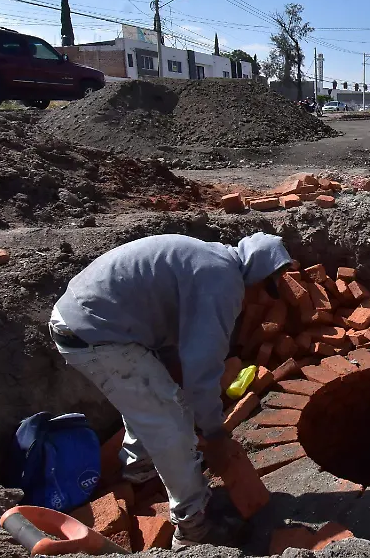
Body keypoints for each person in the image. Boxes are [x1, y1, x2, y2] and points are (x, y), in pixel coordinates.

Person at [49, 233, 292, 549]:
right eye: (262, 286)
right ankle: (192, 528)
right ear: (257, 274)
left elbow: (168, 339)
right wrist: (214, 431)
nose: (255, 295)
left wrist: (177, 387)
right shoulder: (223, 280)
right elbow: (202, 367)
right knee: (171, 425)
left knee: (148, 401)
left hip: (82, 320)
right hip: (96, 333)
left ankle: (139, 472)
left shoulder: (208, 258)